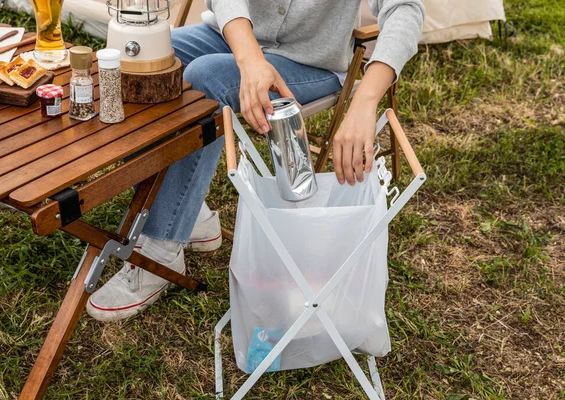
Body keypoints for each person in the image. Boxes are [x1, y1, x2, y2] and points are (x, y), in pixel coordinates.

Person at [86, 0, 425, 321]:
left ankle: (161, 250)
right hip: (230, 35)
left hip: (307, 62)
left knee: (205, 77)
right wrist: (249, 60)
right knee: (141, 56)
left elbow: (406, 8)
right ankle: (193, 215)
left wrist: (365, 100)